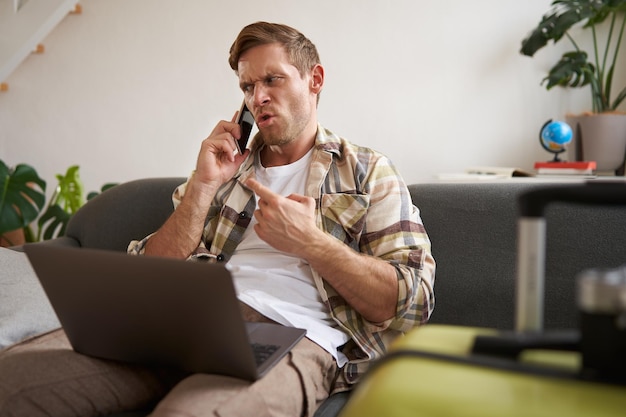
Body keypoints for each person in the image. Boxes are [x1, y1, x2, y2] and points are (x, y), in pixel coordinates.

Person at [0, 22, 435, 417]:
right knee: (12, 382)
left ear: (314, 79)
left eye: (272, 79)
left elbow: (410, 301)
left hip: (290, 335)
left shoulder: (367, 171)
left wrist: (311, 243)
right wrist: (204, 186)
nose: (258, 97)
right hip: (181, 321)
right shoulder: (225, 171)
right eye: (247, 86)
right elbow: (151, 271)